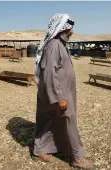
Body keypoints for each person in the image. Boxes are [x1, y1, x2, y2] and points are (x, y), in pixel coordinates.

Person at [33, 13, 94, 169]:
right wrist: (59, 98)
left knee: (50, 120)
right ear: (62, 28)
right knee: (68, 121)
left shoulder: (60, 44)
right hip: (60, 93)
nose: (72, 32)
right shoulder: (54, 45)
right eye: (69, 29)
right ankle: (77, 158)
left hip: (61, 92)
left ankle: (42, 149)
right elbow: (49, 73)